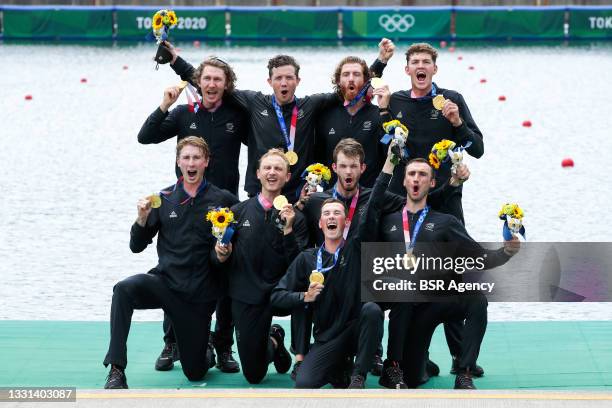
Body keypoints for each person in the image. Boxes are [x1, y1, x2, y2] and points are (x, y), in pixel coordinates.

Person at [364, 147, 520, 390]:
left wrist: (506, 252)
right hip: (406, 309)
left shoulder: (446, 222)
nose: (416, 178)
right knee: (414, 378)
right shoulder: (388, 221)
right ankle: (399, 366)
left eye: (423, 175)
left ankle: (464, 371)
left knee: (477, 300)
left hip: (436, 301)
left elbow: (478, 257)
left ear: (432, 182)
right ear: (404, 181)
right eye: (412, 174)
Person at [163, 40, 391, 201]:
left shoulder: (309, 105)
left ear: (297, 80)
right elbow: (210, 83)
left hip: (299, 194)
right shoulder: (254, 102)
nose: (284, 83)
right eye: (279, 78)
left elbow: (349, 86)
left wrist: (380, 62)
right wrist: (175, 61)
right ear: (269, 81)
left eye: (289, 78)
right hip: (260, 192)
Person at [382, 42, 485, 375]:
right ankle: (403, 353)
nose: (421, 67)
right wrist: (383, 111)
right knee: (404, 278)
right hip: (406, 204)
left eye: (427, 62)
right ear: (407, 69)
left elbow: (477, 148)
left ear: (435, 70)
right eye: (415, 62)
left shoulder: (451, 100)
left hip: (447, 200)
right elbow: (376, 136)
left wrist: (456, 123)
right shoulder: (396, 101)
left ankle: (460, 356)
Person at [103, 137, 238, 389]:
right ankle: (116, 370)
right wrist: (141, 219)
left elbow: (233, 250)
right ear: (178, 162)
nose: (191, 163)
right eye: (186, 158)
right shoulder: (163, 199)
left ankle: (205, 348)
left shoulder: (224, 200)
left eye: (196, 157)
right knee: (123, 289)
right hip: (165, 284)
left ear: (206, 162)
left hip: (198, 295)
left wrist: (223, 254)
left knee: (196, 372)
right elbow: (136, 246)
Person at [137, 57, 244, 374]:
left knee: (226, 276)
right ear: (199, 83)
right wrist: (164, 105)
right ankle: (171, 343)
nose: (211, 84)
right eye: (206, 79)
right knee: (175, 270)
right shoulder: (184, 114)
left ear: (226, 84)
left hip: (225, 207)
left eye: (217, 80)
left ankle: (223, 346)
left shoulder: (237, 114)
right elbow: (146, 136)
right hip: (186, 206)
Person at [213, 149, 309, 384]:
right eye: (267, 168)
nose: (272, 172)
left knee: (309, 297)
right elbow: (217, 258)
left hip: (280, 293)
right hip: (248, 295)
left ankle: (300, 354)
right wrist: (221, 255)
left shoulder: (297, 218)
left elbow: (299, 266)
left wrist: (288, 231)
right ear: (257, 173)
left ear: (288, 177)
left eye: (278, 169)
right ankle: (275, 341)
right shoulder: (236, 212)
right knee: (254, 375)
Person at [271, 198, 384, 389]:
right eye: (327, 214)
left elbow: (371, 210)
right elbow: (276, 296)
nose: (332, 216)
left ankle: (358, 376)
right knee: (304, 383)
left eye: (337, 213)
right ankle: (339, 369)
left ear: (346, 222)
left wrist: (389, 168)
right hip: (328, 337)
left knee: (372, 310)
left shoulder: (356, 249)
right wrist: (304, 296)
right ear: (320, 223)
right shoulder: (307, 258)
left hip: (356, 331)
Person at [314, 40, 395, 188]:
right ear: (338, 81)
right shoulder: (325, 116)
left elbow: (392, 154)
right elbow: (317, 159)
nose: (351, 78)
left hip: (368, 198)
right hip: (333, 202)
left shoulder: (379, 115)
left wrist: (385, 111)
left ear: (365, 81)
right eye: (346, 74)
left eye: (356, 74)